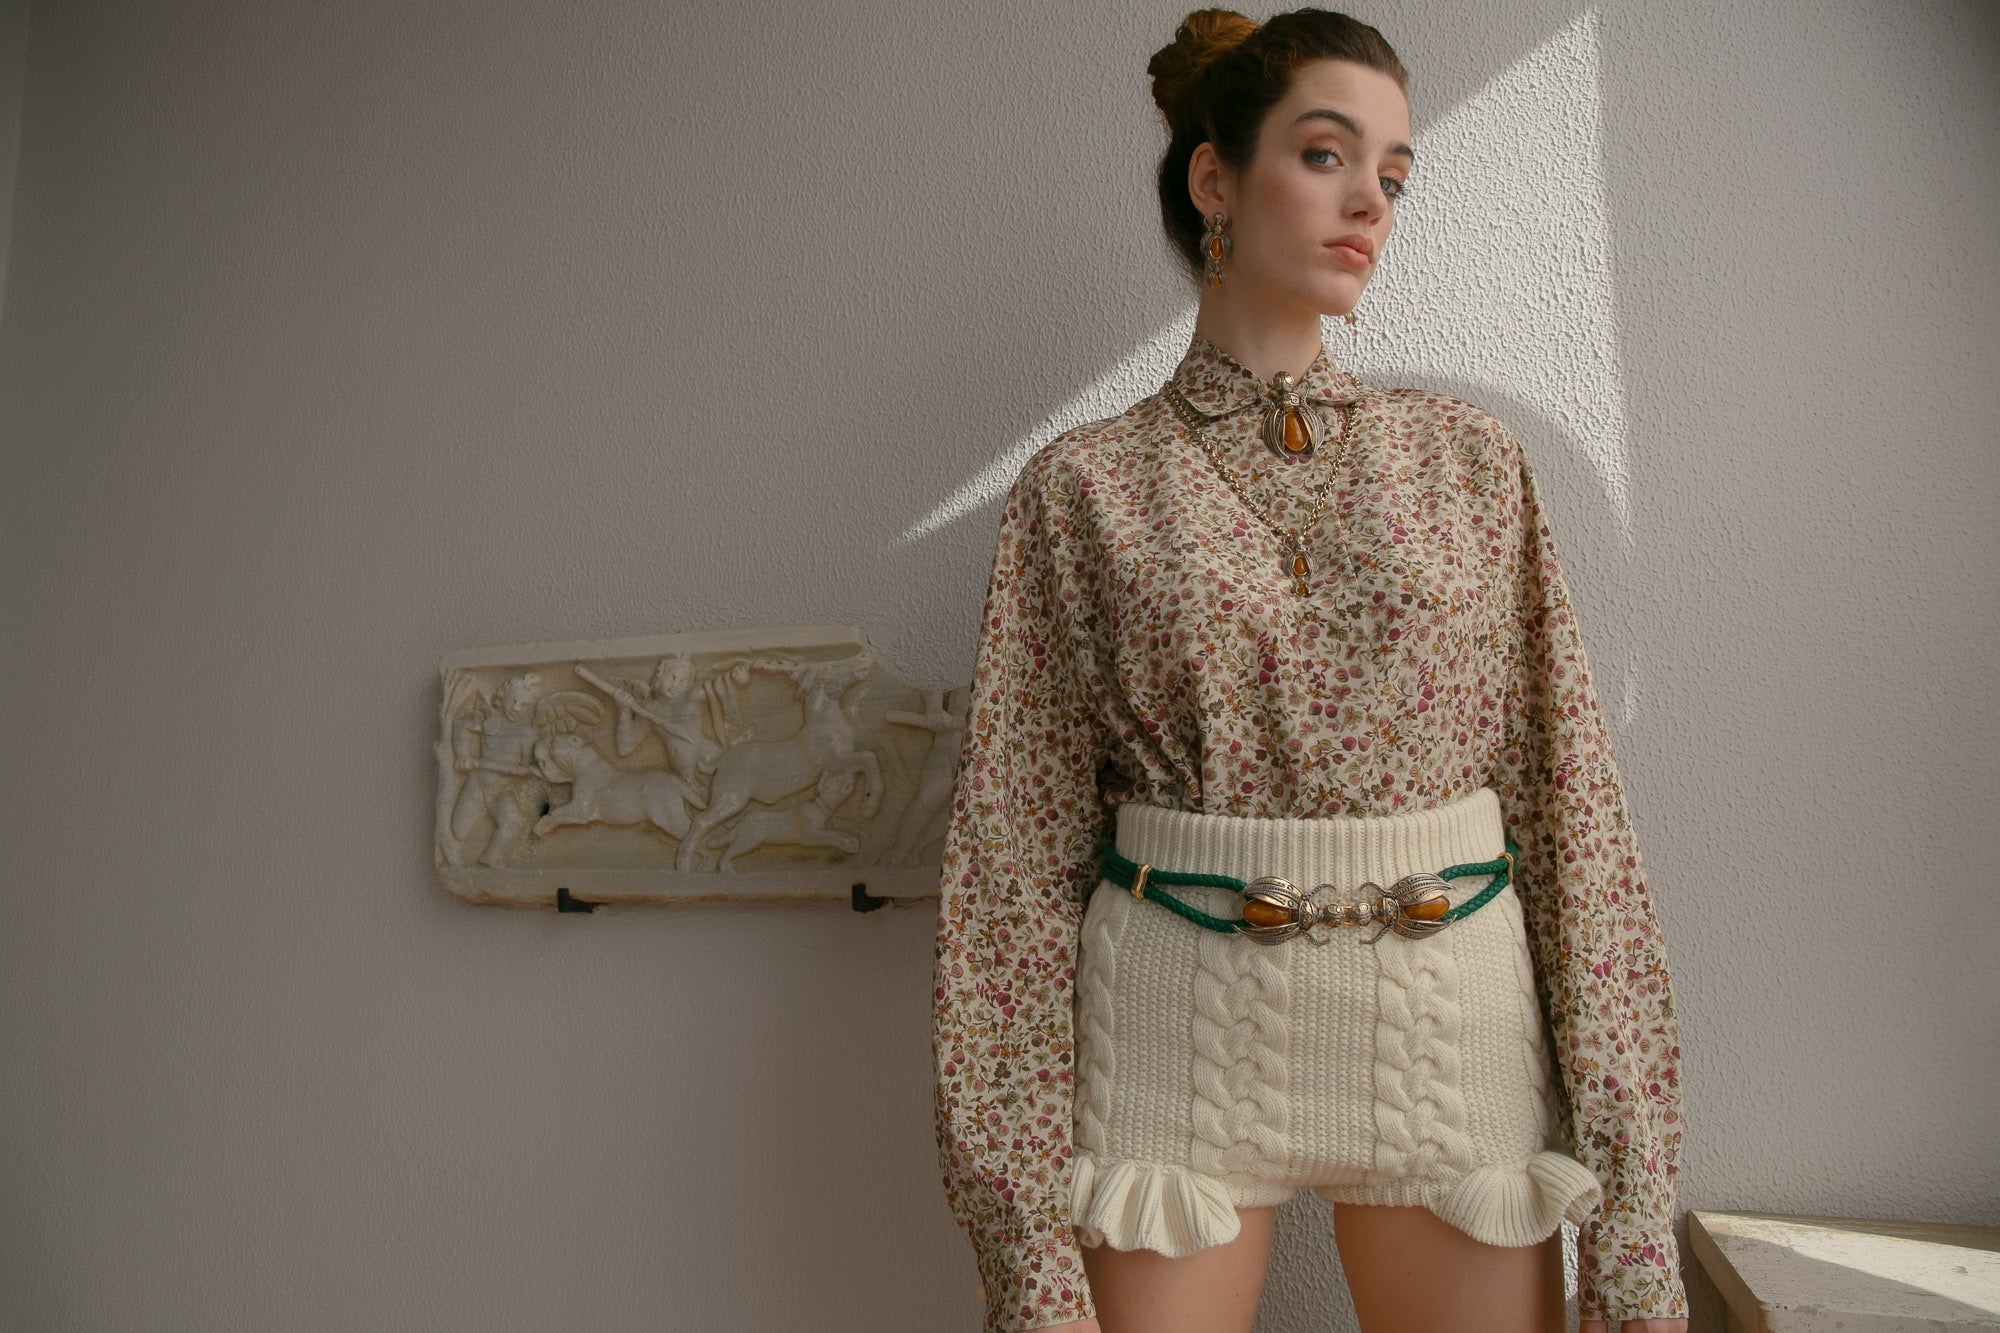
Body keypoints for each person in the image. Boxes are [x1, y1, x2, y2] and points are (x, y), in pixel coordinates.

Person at [931, 8, 1686, 1333]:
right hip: (1171, 1041)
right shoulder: (1084, 490)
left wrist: (1631, 1206)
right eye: (1327, 154)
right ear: (1214, 179)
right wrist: (1022, 1243)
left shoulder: (1469, 464)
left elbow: (1567, 801)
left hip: (1451, 1028)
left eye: (1394, 172)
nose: (1370, 201)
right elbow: (1014, 856)